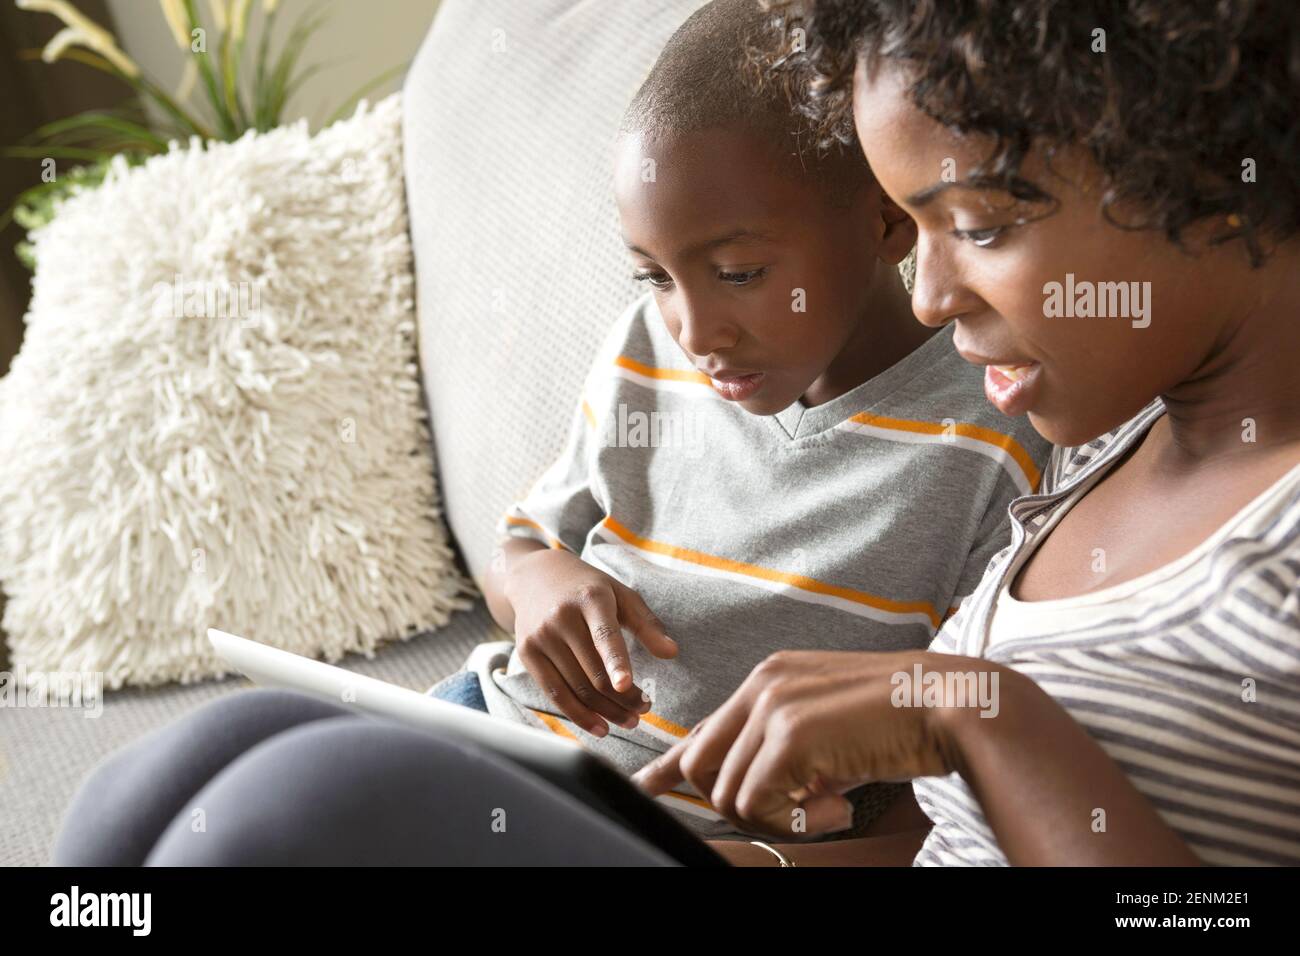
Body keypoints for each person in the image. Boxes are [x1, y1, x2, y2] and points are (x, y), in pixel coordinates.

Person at [426, 0, 1046, 842]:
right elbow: (522, 547)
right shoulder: (647, 347)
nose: (694, 330)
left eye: (739, 273)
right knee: (236, 752)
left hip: (660, 833)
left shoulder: (995, 430)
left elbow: (942, 763)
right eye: (655, 276)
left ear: (887, 223)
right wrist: (539, 588)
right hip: (488, 727)